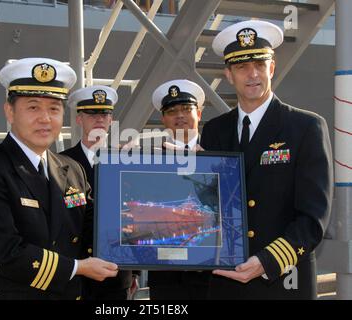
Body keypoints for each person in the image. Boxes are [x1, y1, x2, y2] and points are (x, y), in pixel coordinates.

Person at [0, 58, 118, 300]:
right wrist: (78, 268)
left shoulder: (72, 169)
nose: (45, 118)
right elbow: (5, 252)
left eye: (54, 109)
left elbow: (93, 227)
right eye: (33, 107)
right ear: (9, 111)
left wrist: (143, 228)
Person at [201, 20, 333, 299]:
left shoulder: (305, 127)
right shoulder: (215, 131)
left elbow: (313, 218)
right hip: (227, 283)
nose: (253, 75)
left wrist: (267, 261)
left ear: (272, 68)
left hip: (283, 279)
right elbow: (209, 208)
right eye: (241, 67)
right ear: (228, 74)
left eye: (260, 65)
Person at [61, 85, 137, 300]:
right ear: (79, 119)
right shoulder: (61, 163)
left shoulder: (125, 161)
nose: (99, 119)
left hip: (115, 271)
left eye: (104, 114)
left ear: (111, 120)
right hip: (76, 270)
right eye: (92, 114)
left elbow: (135, 216)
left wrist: (135, 269)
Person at [147, 79, 210, 300]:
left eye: (186, 109)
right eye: (172, 111)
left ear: (199, 114)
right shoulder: (147, 159)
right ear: (164, 119)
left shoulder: (219, 155)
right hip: (166, 272)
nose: (180, 115)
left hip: (212, 269)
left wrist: (205, 166)